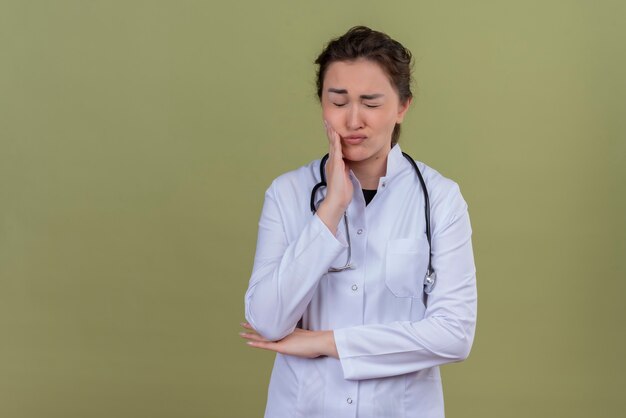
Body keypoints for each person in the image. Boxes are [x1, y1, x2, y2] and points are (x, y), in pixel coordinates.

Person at [240, 26, 477, 418]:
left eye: (370, 102)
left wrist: (324, 341)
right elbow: (267, 321)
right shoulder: (287, 194)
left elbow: (454, 336)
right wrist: (330, 209)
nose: (353, 120)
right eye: (338, 101)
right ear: (322, 104)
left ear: (402, 107)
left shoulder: (440, 199)